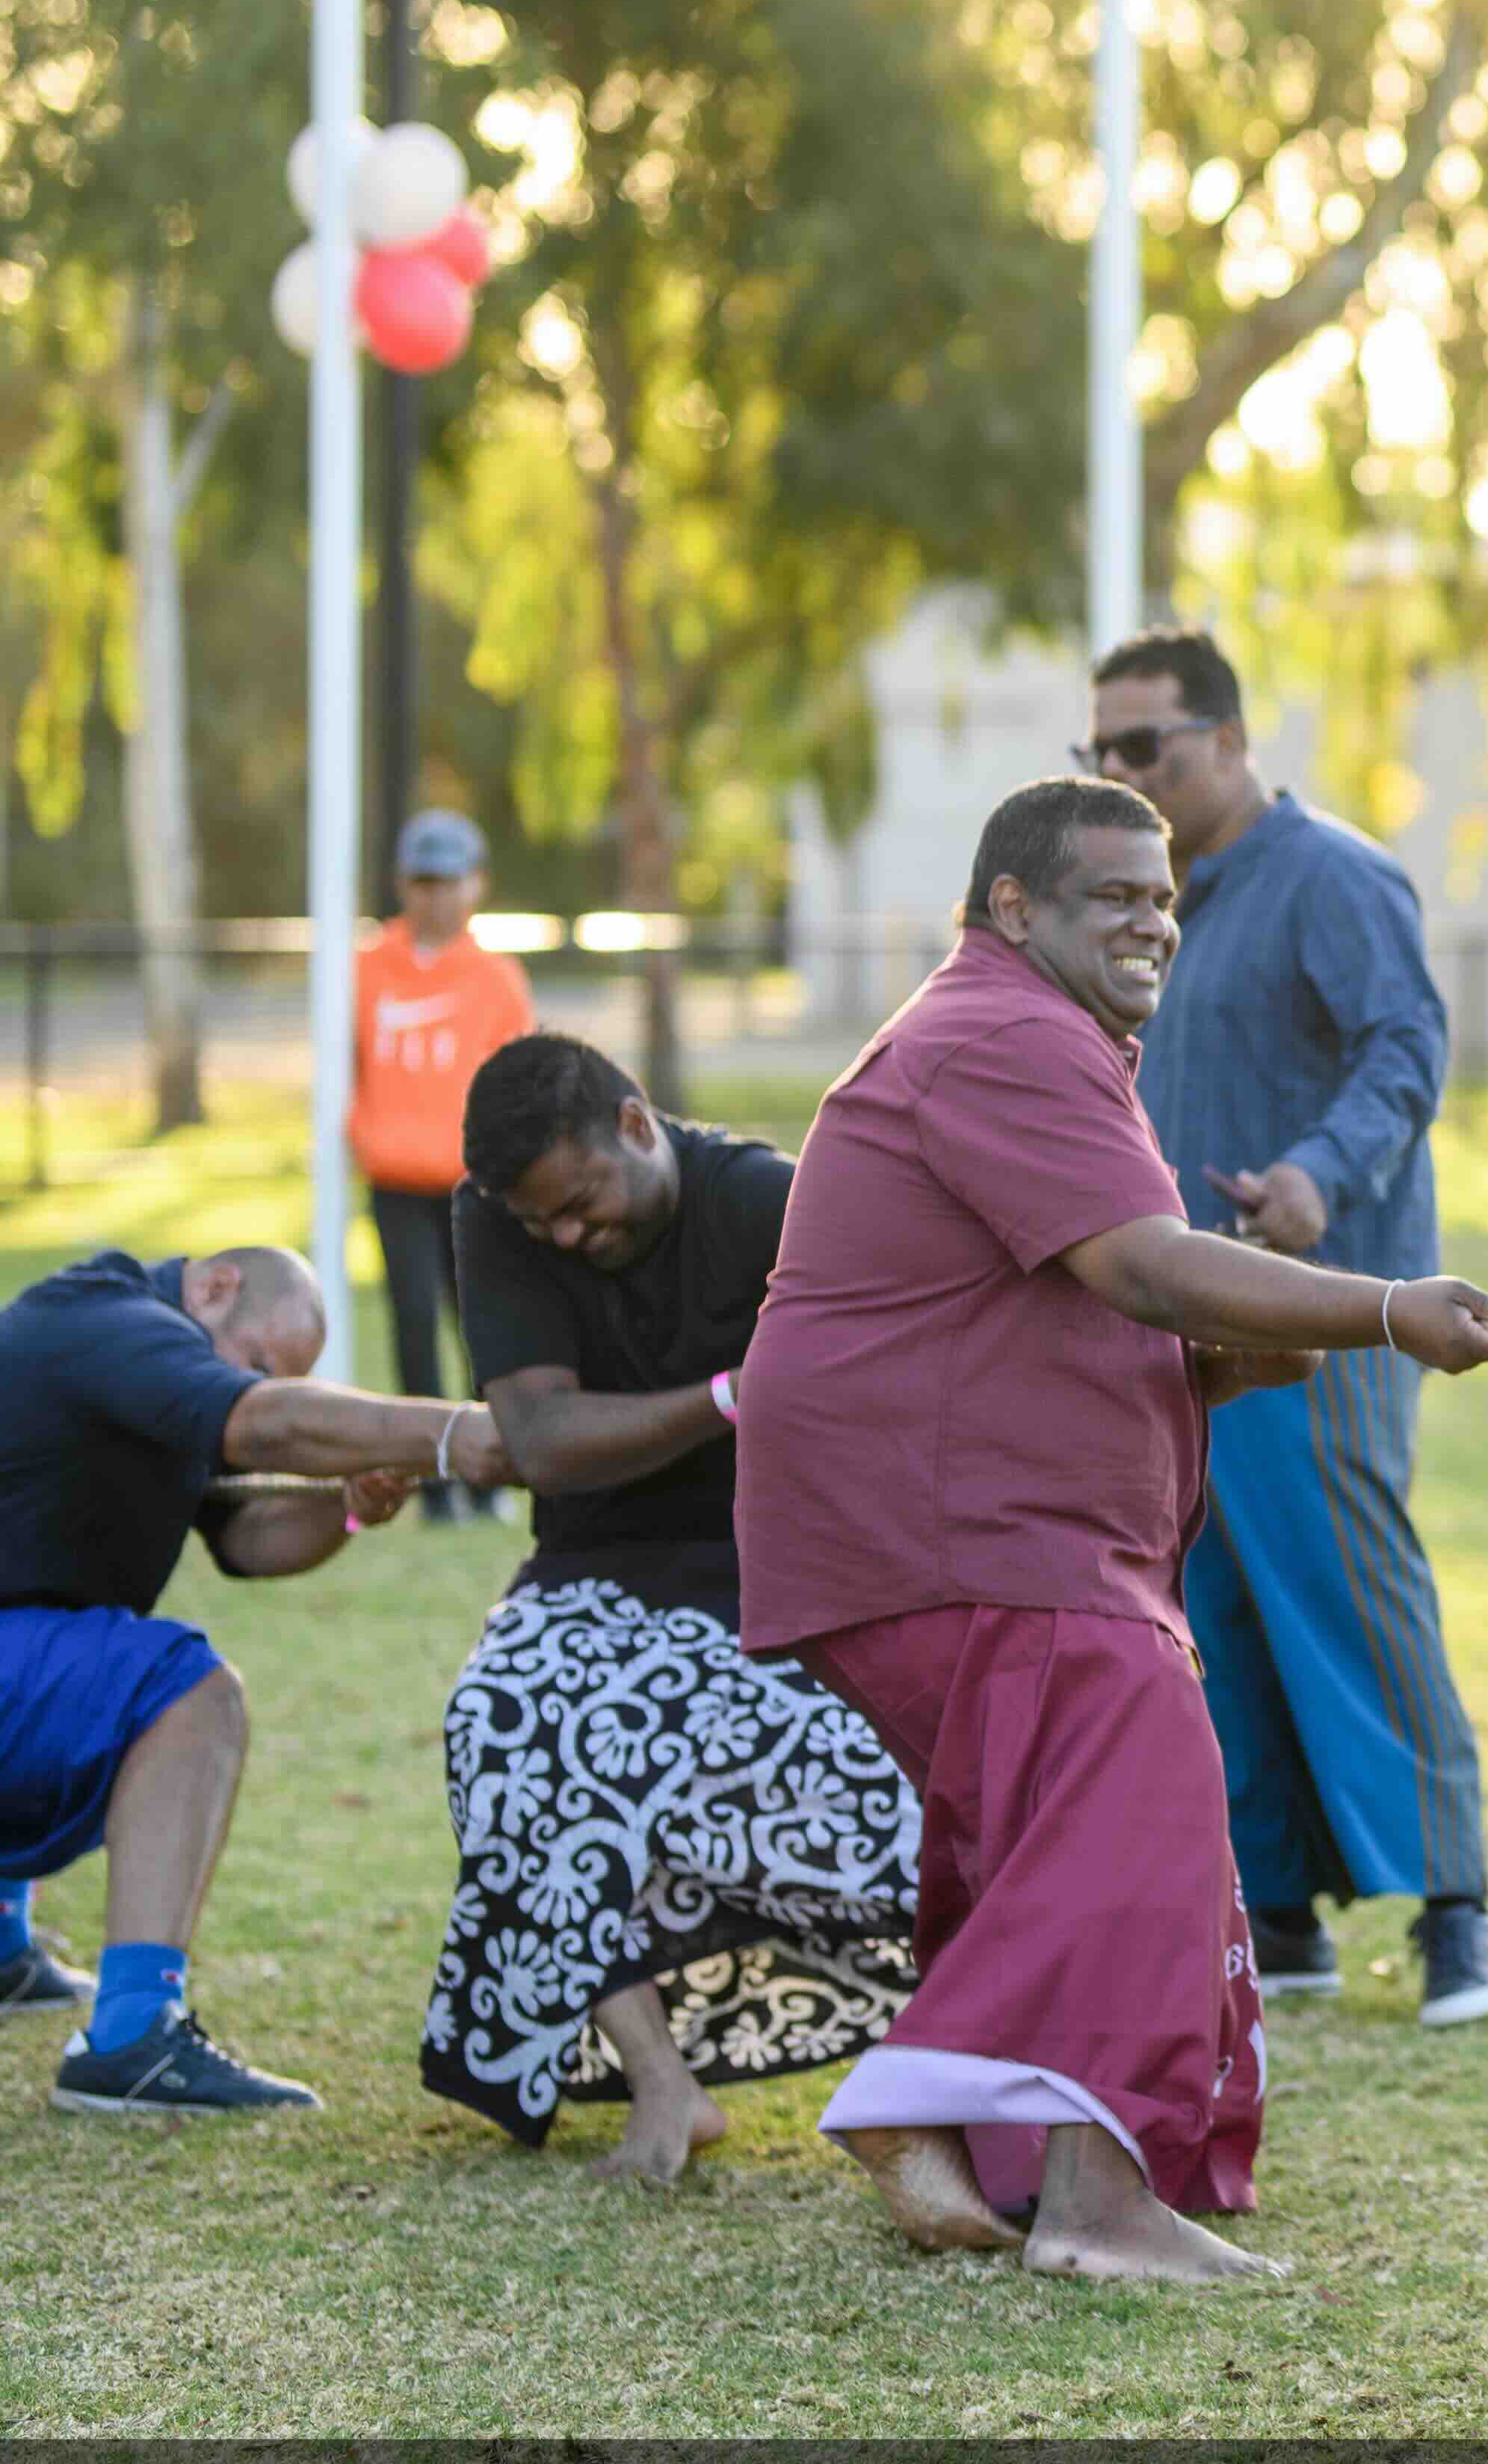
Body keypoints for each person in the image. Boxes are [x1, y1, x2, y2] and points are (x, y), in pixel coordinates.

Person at [735, 776, 1488, 2289]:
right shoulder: (1005, 1033)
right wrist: (1382, 1306)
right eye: (1116, 896)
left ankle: (972, 2141)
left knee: (1054, 1829)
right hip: (957, 1527)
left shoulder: (1032, 1036)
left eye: (1167, 898)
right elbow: (1150, 1268)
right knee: (1139, 1788)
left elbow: (1062, 1300)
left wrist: (1215, 1359)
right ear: (1014, 907)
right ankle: (1046, 2172)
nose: (1155, 919)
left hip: (961, 1524)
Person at [1092, 626, 1488, 2029]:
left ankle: (1461, 1910)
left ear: (1224, 736)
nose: (1119, 771)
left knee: (1347, 1586)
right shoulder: (1167, 900)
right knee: (1218, 1604)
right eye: (1098, 750)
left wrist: (1313, 1180)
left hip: (1329, 1308)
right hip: (1187, 1321)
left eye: (1142, 745)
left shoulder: (1331, 872)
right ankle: (1279, 1912)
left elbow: (1408, 1045)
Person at [418, 1034, 918, 2183]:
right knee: (503, 1717)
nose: (565, 1239)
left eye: (583, 1205)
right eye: (541, 1223)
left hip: (780, 1557)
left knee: (896, 1769)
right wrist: (733, 1395)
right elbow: (544, 1442)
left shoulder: (772, 1202)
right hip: (598, 1561)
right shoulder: (496, 1214)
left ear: (637, 1126)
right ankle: (663, 2082)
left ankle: (950, 2057)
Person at [1, 1241, 518, 2114]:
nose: (260, 1387)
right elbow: (264, 1425)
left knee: (83, 1653)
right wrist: (457, 1431)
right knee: (188, 1691)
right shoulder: (110, 1321)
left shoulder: (142, 1376)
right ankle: (134, 2035)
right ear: (214, 1287)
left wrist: (349, 1504)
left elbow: (246, 1542)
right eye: (259, 1366)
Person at [352, 808, 534, 1524]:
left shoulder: (495, 978)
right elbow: (344, 1062)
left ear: (477, 884)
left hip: (473, 1184)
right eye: (424, 882)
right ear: (404, 884)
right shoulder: (365, 967)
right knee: (411, 1322)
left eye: (450, 881)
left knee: (483, 1326)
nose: (436, 897)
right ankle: (432, 1484)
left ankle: (492, 1475)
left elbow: (520, 1077)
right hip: (394, 1178)